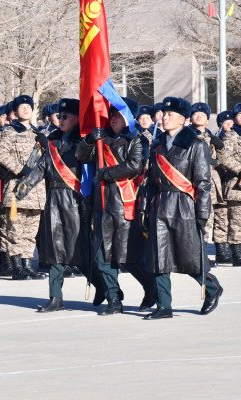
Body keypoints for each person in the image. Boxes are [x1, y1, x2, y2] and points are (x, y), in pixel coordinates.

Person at [15, 98, 106, 311]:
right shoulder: (53, 140)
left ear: (76, 118)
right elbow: (42, 166)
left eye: (65, 116)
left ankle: (104, 287)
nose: (60, 119)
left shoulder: (84, 141)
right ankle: (55, 297)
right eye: (59, 116)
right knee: (54, 251)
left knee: (79, 253)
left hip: (76, 201)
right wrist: (25, 185)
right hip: (54, 199)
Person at [142, 97, 223, 319]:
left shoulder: (196, 145)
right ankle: (163, 306)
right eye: (163, 114)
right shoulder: (157, 145)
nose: (165, 117)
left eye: (170, 114)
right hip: (160, 205)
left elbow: (203, 184)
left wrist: (202, 213)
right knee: (159, 258)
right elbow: (150, 181)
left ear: (182, 119)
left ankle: (212, 288)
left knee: (190, 257)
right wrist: (146, 209)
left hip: (184, 205)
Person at [76, 97, 156, 316]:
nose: (113, 119)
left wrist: (106, 174)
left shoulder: (137, 139)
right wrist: (91, 140)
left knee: (128, 257)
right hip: (101, 205)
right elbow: (81, 156)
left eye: (118, 115)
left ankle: (151, 287)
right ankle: (113, 299)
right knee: (101, 257)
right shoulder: (103, 140)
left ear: (128, 117)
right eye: (111, 115)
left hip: (124, 203)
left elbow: (135, 165)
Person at [0, 95, 46, 280]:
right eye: (22, 107)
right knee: (14, 229)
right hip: (18, 188)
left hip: (37, 190)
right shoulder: (10, 131)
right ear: (15, 111)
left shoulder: (38, 133)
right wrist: (20, 170)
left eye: (29, 106)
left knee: (30, 231)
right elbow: (0, 154)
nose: (26, 109)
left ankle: (27, 264)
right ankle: (16, 266)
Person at [189, 102, 225, 248]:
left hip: (209, 183)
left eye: (202, 115)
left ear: (207, 119)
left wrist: (220, 149)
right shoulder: (186, 135)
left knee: (207, 218)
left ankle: (202, 252)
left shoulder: (211, 136)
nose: (198, 116)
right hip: (191, 182)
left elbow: (221, 160)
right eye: (195, 114)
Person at [216, 104, 241, 266]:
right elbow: (225, 157)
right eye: (240, 114)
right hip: (237, 185)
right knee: (237, 221)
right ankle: (237, 253)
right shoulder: (232, 136)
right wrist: (240, 169)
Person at [212, 110, 235, 264]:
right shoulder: (216, 137)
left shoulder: (236, 136)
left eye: (231, 121)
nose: (229, 124)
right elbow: (216, 158)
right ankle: (222, 251)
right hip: (218, 180)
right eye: (226, 122)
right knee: (220, 217)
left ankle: (230, 250)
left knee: (231, 218)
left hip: (230, 182)